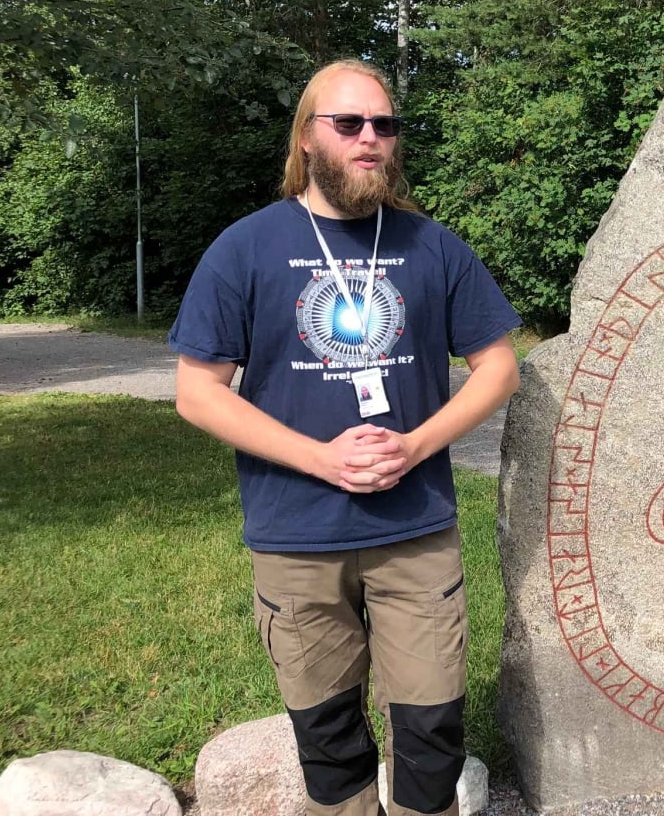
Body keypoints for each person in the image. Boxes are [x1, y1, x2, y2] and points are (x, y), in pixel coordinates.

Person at [170, 59, 520, 816]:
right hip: (297, 535)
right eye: (350, 122)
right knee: (329, 743)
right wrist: (320, 459)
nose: (370, 138)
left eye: (384, 124)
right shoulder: (245, 248)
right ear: (306, 136)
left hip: (414, 531)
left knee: (431, 738)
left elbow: (499, 368)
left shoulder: (432, 247)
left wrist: (416, 445)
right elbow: (197, 392)